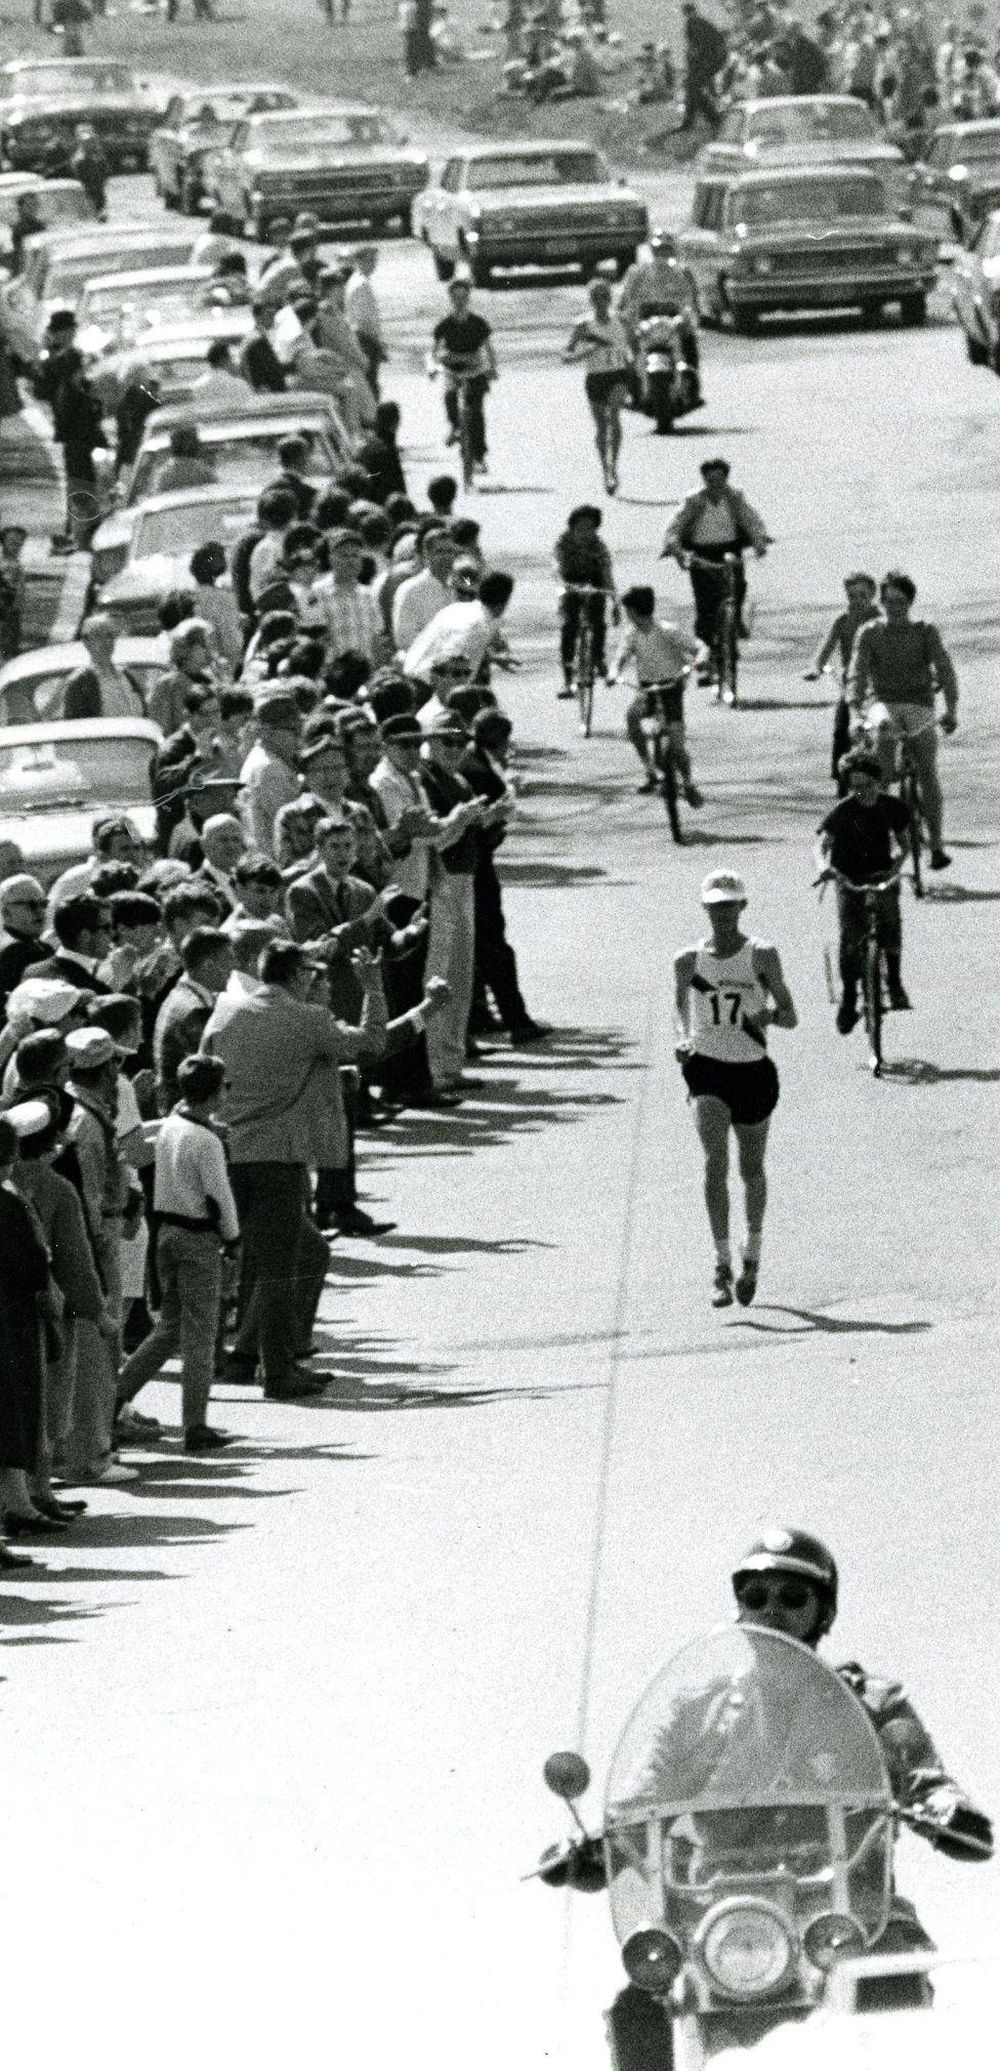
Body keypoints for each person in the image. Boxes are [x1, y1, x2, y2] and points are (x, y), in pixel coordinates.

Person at [544, 1529, 993, 2053]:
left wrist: (944, 1808)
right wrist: (598, 1842)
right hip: (717, 1909)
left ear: (823, 1610)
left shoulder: (869, 1701)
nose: (771, 1609)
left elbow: (922, 1776)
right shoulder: (698, 1710)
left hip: (842, 1905)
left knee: (891, 1963)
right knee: (642, 2000)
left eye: (793, 1596)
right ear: (739, 1607)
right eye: (754, 1596)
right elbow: (641, 1799)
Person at [674, 872, 797, 1308]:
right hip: (707, 1070)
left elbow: (790, 1016)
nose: (723, 914)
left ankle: (753, 1257)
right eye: (715, 906)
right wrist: (684, 1038)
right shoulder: (687, 961)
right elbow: (681, 1008)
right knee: (714, 1163)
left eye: (730, 906)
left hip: (753, 1072)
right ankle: (721, 1263)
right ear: (705, 909)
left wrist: (765, 1016)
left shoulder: (761, 954)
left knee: (750, 1168)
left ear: (742, 907)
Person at [115, 1054, 239, 1454]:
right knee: (201, 1333)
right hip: (198, 1238)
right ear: (213, 1094)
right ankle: (195, 1424)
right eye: (224, 1086)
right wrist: (233, 1238)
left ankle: (113, 1399)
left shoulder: (173, 1123)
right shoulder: (207, 1141)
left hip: (167, 1232)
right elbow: (219, 1196)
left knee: (168, 1329)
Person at [846, 570, 958, 870]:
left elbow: (944, 669)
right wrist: (856, 711)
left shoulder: (925, 631)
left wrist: (951, 709)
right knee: (882, 737)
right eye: (888, 600)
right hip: (883, 703)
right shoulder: (870, 632)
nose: (893, 606)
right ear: (880, 602)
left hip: (919, 704)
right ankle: (882, 830)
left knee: (927, 771)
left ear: (909, 602)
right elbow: (857, 673)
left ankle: (936, 844)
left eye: (900, 600)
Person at [460, 707, 548, 1046]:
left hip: (474, 867)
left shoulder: (475, 764)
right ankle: (517, 1019)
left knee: (483, 946)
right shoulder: (482, 772)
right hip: (476, 871)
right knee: (493, 944)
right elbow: (489, 829)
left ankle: (483, 1014)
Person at [816, 746, 911, 1033]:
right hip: (848, 877)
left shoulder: (892, 807)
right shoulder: (842, 811)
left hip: (881, 873)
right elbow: (821, 845)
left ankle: (894, 983)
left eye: (867, 785)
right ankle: (848, 998)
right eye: (854, 787)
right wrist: (823, 866)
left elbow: (904, 844)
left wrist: (896, 866)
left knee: (891, 922)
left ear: (879, 782)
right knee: (850, 937)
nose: (861, 792)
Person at [662, 458, 769, 661]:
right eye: (710, 480)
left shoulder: (734, 497)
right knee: (705, 606)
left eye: (719, 479)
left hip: (729, 550)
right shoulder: (694, 500)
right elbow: (675, 527)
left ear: (726, 479)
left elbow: (751, 520)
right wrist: (677, 549)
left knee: (737, 588)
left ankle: (734, 625)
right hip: (702, 554)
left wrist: (759, 542)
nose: (715, 484)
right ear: (704, 479)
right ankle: (705, 655)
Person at [615, 585, 702, 800]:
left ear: (634, 611)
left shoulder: (667, 630)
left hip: (671, 688)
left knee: (677, 743)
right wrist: (613, 671)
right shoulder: (632, 635)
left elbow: (699, 648)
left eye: (628, 610)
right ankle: (649, 769)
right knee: (632, 718)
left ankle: (689, 783)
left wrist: (695, 664)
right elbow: (620, 657)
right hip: (647, 690)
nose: (627, 615)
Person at [805, 572, 881, 793]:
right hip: (851, 684)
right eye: (852, 596)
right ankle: (841, 776)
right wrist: (816, 667)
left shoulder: (880, 620)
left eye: (863, 596)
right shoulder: (842, 621)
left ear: (873, 596)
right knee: (841, 728)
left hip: (877, 683)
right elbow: (825, 649)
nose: (857, 601)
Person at [563, 276, 633, 496]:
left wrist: (634, 364)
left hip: (618, 375)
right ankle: (605, 470)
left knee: (614, 416)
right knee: (602, 427)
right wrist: (587, 351)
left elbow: (635, 347)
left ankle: (614, 467)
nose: (601, 301)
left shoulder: (621, 320)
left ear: (610, 298)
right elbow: (566, 354)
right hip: (595, 378)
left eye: (605, 296)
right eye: (596, 297)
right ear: (591, 300)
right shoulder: (583, 325)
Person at [153, 926, 233, 1115]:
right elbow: (213, 1073)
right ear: (208, 964)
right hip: (190, 1115)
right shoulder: (196, 1010)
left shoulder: (179, 995)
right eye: (228, 958)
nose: (234, 964)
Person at [617, 230, 702, 400]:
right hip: (646, 318)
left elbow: (692, 299)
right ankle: (633, 385)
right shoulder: (638, 271)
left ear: (673, 250)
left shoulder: (682, 271)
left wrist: (690, 314)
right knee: (629, 346)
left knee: (689, 340)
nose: (662, 253)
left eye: (666, 249)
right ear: (651, 250)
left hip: (674, 317)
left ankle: (691, 385)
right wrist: (624, 312)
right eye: (658, 249)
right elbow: (625, 296)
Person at [431, 276, 497, 476]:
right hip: (453, 370)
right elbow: (434, 351)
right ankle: (455, 427)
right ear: (450, 298)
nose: (460, 301)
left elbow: (489, 350)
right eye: (455, 297)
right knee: (449, 395)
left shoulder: (478, 323)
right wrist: (436, 364)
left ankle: (479, 456)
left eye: (463, 297)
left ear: (468, 298)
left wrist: (492, 368)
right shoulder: (444, 324)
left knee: (476, 412)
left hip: (475, 371)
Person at [404, 570, 516, 687]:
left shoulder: (456, 608)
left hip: (413, 674)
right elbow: (450, 658)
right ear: (503, 604)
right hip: (429, 686)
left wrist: (491, 658)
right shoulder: (478, 626)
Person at [553, 504, 616, 701]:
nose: (585, 533)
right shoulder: (563, 543)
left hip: (594, 580)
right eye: (581, 527)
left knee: (598, 621)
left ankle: (598, 657)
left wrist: (614, 600)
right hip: (570, 581)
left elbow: (607, 574)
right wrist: (565, 586)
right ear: (572, 527)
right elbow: (556, 568)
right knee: (569, 625)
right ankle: (567, 678)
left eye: (590, 528)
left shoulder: (599, 546)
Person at [239, 691, 303, 856]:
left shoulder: (266, 759)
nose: (300, 738)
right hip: (274, 863)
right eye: (293, 730)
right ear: (267, 731)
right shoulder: (269, 768)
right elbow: (297, 828)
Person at [62, 613, 144, 721]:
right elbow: (75, 728)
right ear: (87, 642)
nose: (106, 642)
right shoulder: (80, 683)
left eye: (110, 635)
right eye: (99, 636)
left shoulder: (126, 676)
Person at [392, 525, 456, 652]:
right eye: (440, 552)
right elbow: (404, 639)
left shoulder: (458, 587)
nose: (446, 557)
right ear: (427, 554)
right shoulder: (410, 589)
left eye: (449, 551)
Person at [0, 875, 49, 1010]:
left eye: (43, 904)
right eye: (31, 905)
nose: (40, 911)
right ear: (6, 912)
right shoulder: (14, 953)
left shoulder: (40, 945)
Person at [345, 245, 386, 393]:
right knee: (370, 385)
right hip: (366, 340)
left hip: (363, 337)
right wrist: (378, 342)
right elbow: (365, 319)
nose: (373, 264)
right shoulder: (361, 284)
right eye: (369, 260)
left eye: (374, 261)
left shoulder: (356, 281)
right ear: (359, 261)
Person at [151, 421, 217, 497]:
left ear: (172, 446)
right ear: (195, 445)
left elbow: (157, 497)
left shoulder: (164, 475)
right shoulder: (204, 472)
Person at [240, 300, 287, 395]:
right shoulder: (255, 340)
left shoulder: (263, 337)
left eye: (274, 314)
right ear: (257, 317)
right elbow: (257, 371)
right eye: (268, 314)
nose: (273, 318)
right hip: (266, 394)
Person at [0, 520, 28, 661]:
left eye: (19, 544)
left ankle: (10, 655)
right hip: (4, 606)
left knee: (13, 633)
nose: (17, 547)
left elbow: (20, 587)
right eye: (12, 543)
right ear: (3, 542)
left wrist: (19, 600)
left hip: (13, 607)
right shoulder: (3, 563)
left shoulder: (17, 563)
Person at [70, 123, 109, 218]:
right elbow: (77, 175)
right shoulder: (79, 157)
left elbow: (105, 170)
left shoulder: (98, 155)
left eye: (90, 141)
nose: (88, 143)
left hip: (98, 189)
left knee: (100, 210)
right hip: (85, 190)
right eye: (85, 142)